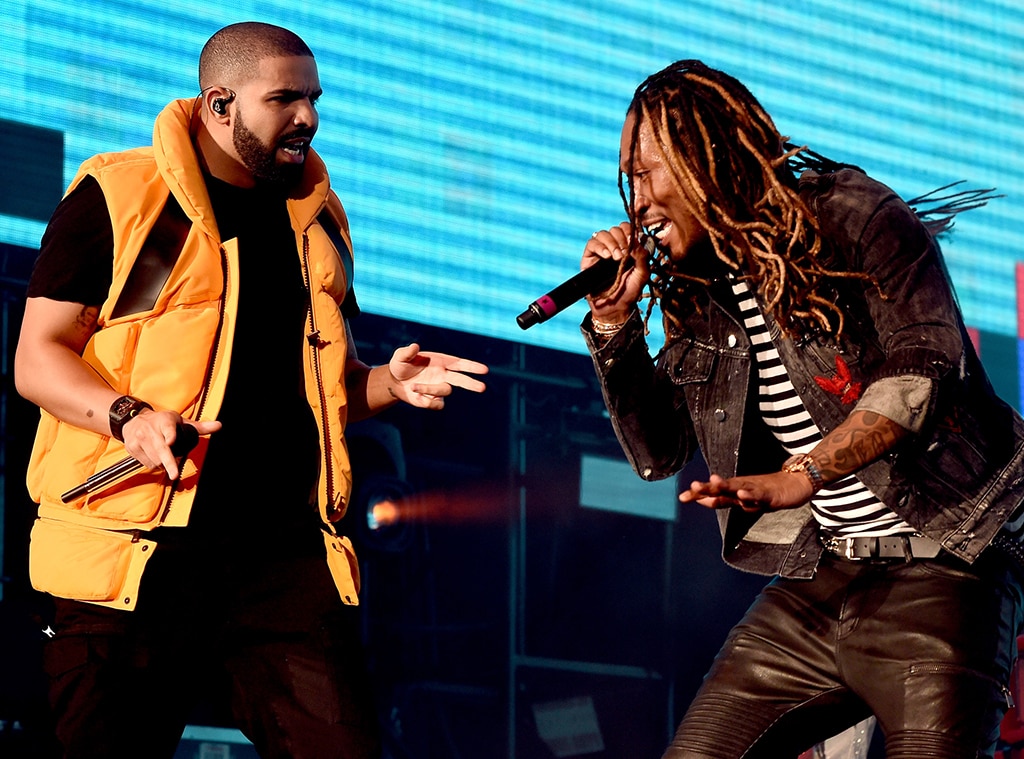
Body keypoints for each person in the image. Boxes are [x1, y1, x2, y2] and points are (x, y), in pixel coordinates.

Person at [13, 21, 488, 759]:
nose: (308, 118)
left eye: (314, 98)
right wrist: (129, 416)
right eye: (285, 99)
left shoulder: (319, 221)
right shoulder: (123, 195)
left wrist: (387, 385)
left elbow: (324, 394)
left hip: (279, 563)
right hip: (134, 552)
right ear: (220, 103)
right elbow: (37, 358)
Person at [580, 59, 1024, 758]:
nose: (637, 202)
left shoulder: (853, 215)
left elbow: (925, 367)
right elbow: (657, 452)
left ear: (705, 160)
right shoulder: (699, 291)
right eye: (628, 181)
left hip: (943, 567)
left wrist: (806, 473)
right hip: (822, 582)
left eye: (647, 174)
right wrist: (614, 321)